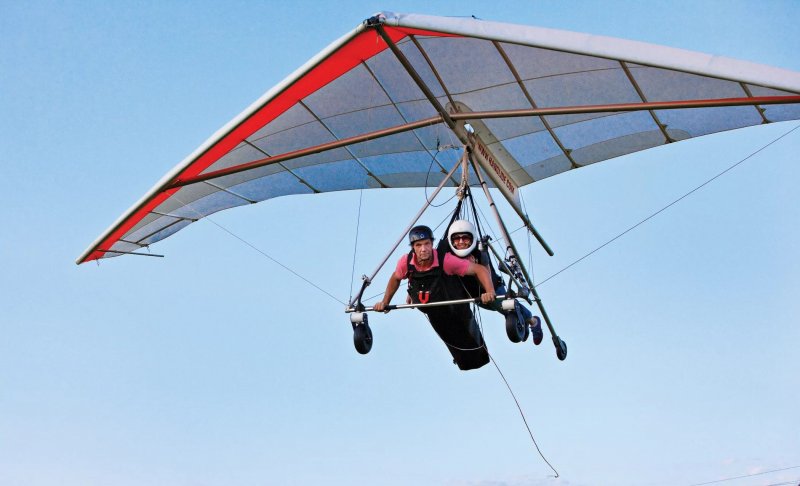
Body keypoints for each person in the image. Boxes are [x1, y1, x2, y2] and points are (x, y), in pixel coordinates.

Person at [373, 225, 493, 370]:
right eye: (418, 245)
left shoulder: (445, 260)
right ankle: (467, 362)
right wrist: (385, 302)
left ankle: (480, 356)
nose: (423, 249)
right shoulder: (406, 262)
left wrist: (489, 291)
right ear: (413, 247)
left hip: (453, 306)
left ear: (432, 244)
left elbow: (479, 270)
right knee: (450, 339)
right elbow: (395, 278)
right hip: (433, 310)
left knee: (468, 336)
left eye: (427, 244)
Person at [445, 219, 544, 345]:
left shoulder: (479, 252)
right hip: (476, 297)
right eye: (456, 239)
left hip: (493, 291)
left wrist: (476, 270)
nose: (461, 242)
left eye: (465, 238)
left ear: (472, 239)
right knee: (506, 312)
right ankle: (523, 322)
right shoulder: (449, 256)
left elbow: (485, 271)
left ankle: (533, 321)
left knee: (507, 309)